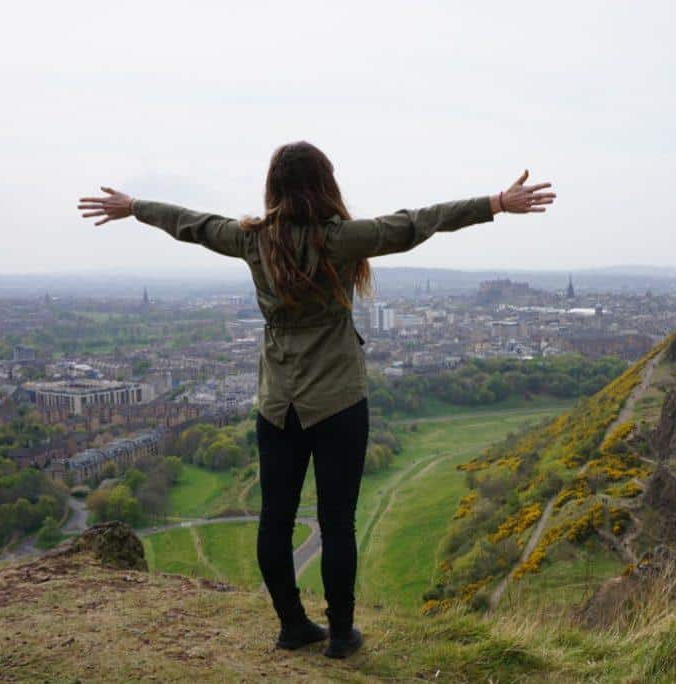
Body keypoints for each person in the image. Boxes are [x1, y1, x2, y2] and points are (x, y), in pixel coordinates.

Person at [76, 141, 555, 659]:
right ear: (325, 184)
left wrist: (134, 207)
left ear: (274, 188)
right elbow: (418, 223)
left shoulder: (251, 241)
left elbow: (193, 223)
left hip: (277, 402)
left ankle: (291, 625)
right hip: (339, 401)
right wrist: (496, 203)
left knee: (274, 519)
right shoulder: (343, 240)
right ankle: (342, 634)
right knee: (337, 521)